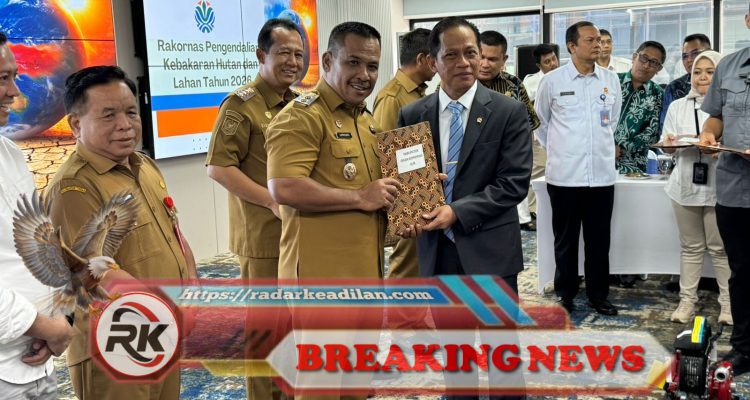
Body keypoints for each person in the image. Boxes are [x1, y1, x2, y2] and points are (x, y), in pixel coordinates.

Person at [46, 65, 198, 399]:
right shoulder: (74, 187)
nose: (125, 125)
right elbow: (95, 273)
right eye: (109, 115)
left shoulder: (144, 166)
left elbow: (175, 234)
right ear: (76, 124)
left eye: (131, 112)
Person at [205, 18, 303, 400]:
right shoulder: (241, 105)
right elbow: (219, 167)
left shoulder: (299, 104)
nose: (293, 62)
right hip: (263, 237)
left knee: (294, 329)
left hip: (298, 235)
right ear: (262, 55)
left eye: (298, 54)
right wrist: (269, 200)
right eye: (284, 53)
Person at [399, 17, 531, 293]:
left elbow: (514, 183)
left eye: (470, 53)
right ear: (433, 62)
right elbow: (407, 180)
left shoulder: (509, 112)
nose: (464, 62)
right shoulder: (412, 115)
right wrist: (409, 204)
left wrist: (456, 212)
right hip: (437, 252)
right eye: (451, 55)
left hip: (491, 251)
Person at [266, 21, 398, 279]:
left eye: (372, 66)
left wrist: (414, 192)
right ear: (327, 61)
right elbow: (284, 187)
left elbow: (375, 191)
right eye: (353, 62)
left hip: (365, 269)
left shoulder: (367, 121)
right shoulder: (301, 116)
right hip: (321, 276)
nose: (364, 75)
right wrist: (359, 197)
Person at [0, 30, 74, 400]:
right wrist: (45, 326)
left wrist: (57, 319)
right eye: (3, 78)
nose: (14, 92)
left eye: (14, 76)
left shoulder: (10, 153)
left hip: (35, 357)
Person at [534, 21, 622, 316]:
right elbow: (541, 125)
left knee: (599, 241)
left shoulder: (610, 79)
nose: (598, 44)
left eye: (600, 39)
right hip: (564, 177)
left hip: (601, 176)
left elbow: (612, 121)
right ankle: (566, 293)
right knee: (566, 241)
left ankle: (599, 295)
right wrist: (563, 150)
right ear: (572, 46)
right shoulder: (552, 81)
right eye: (590, 40)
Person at [660, 50, 731, 324]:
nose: (702, 77)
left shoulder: (728, 106)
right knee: (690, 247)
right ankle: (687, 301)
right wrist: (669, 145)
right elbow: (666, 146)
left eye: (710, 72)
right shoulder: (678, 106)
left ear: (720, 75)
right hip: (684, 185)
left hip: (718, 186)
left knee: (719, 249)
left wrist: (719, 148)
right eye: (697, 72)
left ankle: (728, 304)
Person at [699, 5, 750, 376]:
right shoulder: (729, 66)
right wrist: (709, 133)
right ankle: (745, 347)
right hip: (734, 188)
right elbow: (716, 115)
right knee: (742, 273)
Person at [373, 27, 434, 281]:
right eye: (435, 57)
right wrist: (402, 205)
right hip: (405, 194)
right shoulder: (392, 97)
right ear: (422, 59)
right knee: (407, 263)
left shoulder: (417, 92)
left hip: (422, 188)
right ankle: (401, 309)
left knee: (420, 261)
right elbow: (384, 153)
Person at [477, 30, 539, 232]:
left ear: (504, 59)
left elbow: (529, 123)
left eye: (492, 59)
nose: (485, 64)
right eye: (481, 57)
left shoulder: (514, 85)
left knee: (503, 228)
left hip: (506, 164)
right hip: (472, 166)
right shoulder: (459, 84)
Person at [614, 41, 665, 174]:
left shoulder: (658, 94)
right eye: (643, 58)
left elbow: (653, 132)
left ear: (659, 69)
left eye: (653, 62)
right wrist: (607, 147)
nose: (646, 65)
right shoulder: (612, 82)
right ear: (634, 57)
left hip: (633, 167)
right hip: (598, 159)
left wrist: (622, 147)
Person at [522, 44, 558, 218]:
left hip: (560, 134)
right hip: (540, 134)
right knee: (538, 171)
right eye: (547, 62)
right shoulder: (531, 82)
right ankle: (532, 210)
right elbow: (525, 109)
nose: (553, 64)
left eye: (554, 59)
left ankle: (549, 208)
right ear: (539, 65)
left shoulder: (564, 77)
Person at [661, 34, 712, 128]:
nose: (689, 60)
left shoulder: (723, 84)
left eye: (695, 54)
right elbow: (665, 127)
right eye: (685, 56)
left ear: (709, 53)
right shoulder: (674, 88)